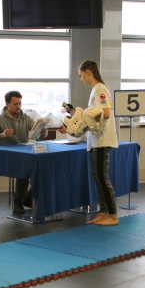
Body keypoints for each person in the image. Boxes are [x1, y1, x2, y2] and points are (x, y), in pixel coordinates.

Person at [61, 60, 119, 226]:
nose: (81, 79)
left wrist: (85, 113)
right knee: (97, 177)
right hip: (95, 139)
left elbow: (106, 113)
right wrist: (77, 117)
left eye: (81, 75)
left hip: (103, 139)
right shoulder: (95, 89)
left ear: (88, 72)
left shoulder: (100, 88)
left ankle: (113, 216)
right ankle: (103, 212)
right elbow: (93, 116)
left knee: (102, 177)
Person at [0, 91, 47, 214]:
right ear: (7, 104)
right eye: (15, 104)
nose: (18, 106)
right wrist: (2, 135)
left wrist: (42, 132)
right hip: (7, 156)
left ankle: (28, 198)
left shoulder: (25, 117)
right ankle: (18, 202)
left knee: (44, 166)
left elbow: (37, 133)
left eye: (20, 103)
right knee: (23, 168)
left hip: (24, 153)